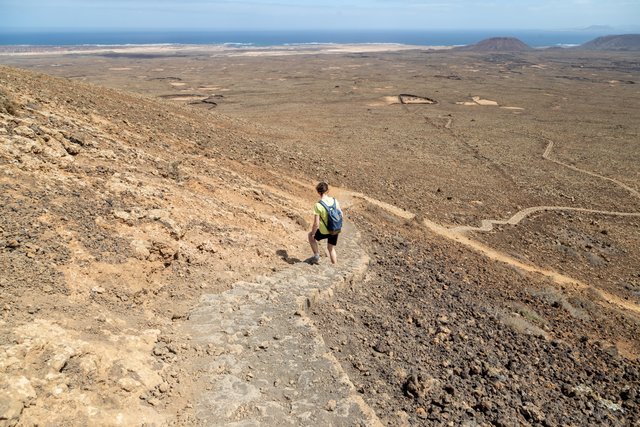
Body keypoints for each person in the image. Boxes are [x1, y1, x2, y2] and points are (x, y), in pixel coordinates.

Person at [307, 181, 341, 264]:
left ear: (318, 192)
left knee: (310, 236)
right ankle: (335, 266)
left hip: (324, 231)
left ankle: (317, 256)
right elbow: (341, 214)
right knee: (331, 249)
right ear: (327, 191)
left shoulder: (318, 205)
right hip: (335, 229)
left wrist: (313, 234)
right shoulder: (335, 201)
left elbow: (316, 224)